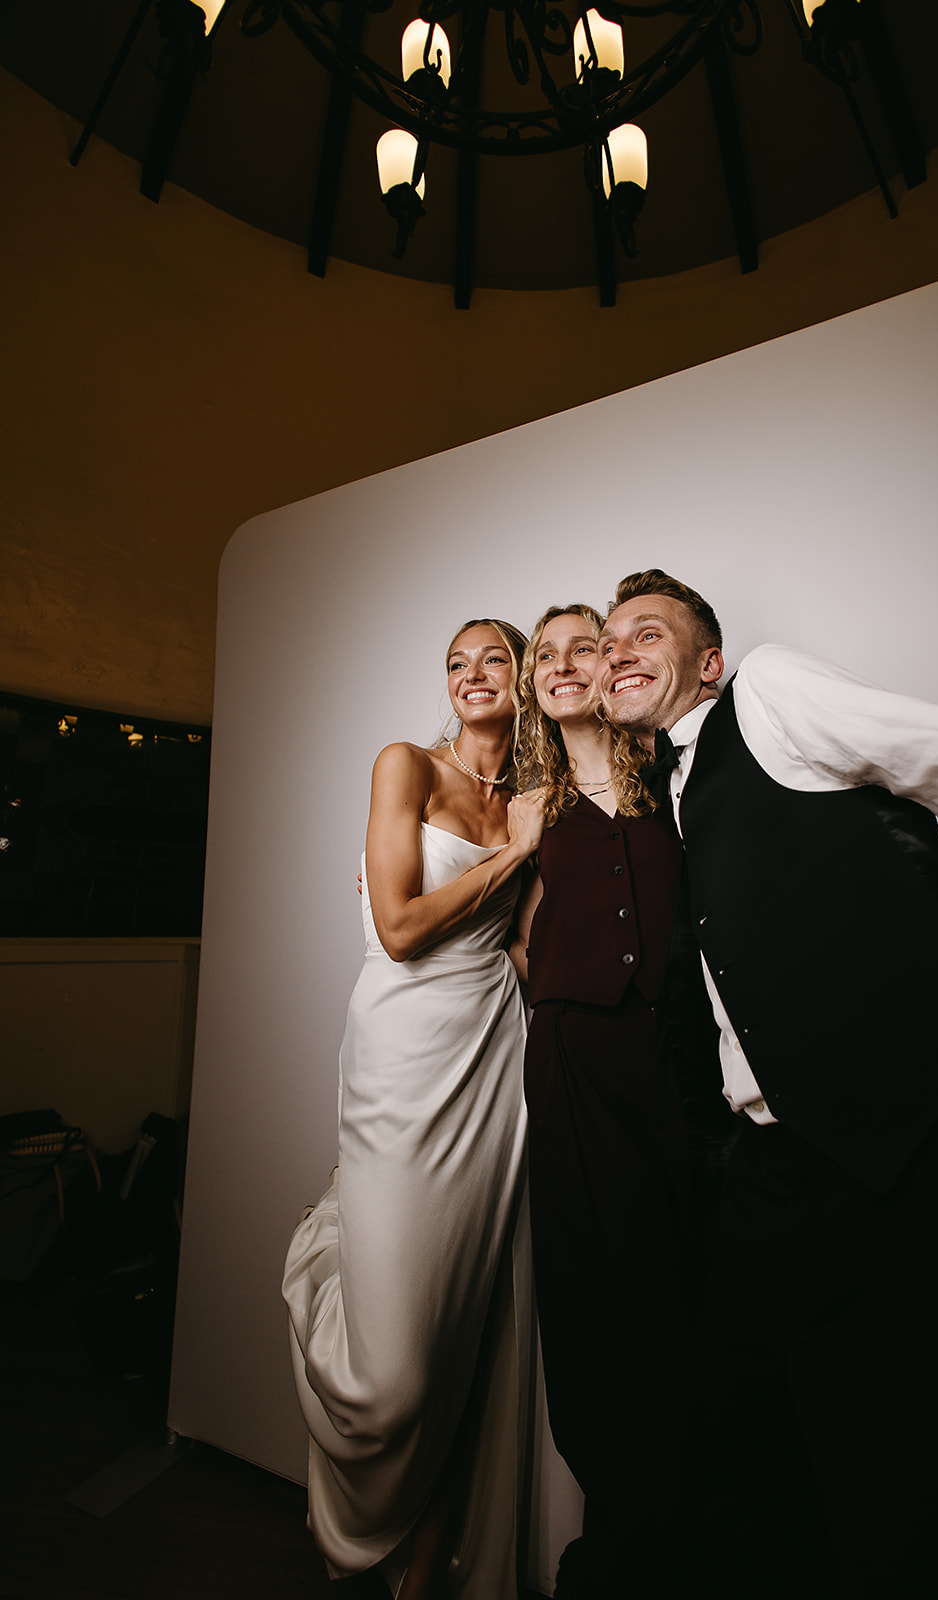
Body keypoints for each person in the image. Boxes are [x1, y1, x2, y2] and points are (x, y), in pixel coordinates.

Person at [596, 569, 938, 1600]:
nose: (620, 647)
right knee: (767, 1472)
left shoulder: (768, 696)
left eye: (648, 631)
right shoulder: (671, 797)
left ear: (707, 662)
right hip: (787, 1175)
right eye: (608, 637)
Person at [283, 618, 545, 1600]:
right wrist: (510, 857)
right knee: (392, 1373)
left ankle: (429, 1558)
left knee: (466, 1317)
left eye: (493, 659)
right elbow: (395, 929)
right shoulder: (406, 765)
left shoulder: (528, 800)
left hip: (493, 1053)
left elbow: (521, 950)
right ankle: (325, 1248)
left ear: (519, 682)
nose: (472, 675)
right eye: (456, 661)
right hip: (400, 1049)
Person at [511, 604, 705, 1600]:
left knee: (683, 1283)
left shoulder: (670, 777)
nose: (558, 664)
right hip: (574, 1059)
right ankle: (614, 1543)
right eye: (541, 654)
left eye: (578, 646)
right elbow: (509, 931)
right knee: (589, 1294)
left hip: (671, 1058)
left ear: (611, 665)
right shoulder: (528, 802)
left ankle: (689, 1531)